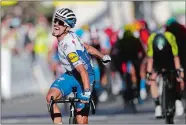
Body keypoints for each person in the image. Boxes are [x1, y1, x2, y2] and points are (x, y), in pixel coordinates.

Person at [46, 8, 111, 124]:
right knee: (50, 98)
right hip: (71, 75)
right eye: (55, 20)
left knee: (81, 121)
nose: (56, 24)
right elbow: (88, 47)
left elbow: (82, 72)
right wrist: (103, 57)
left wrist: (86, 93)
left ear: (67, 27)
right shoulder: (72, 36)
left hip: (85, 77)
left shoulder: (68, 47)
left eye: (60, 22)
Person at [146, 31, 184, 118]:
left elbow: (176, 57)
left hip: (170, 57)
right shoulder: (151, 40)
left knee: (179, 76)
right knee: (152, 78)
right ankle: (158, 106)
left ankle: (178, 100)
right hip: (157, 59)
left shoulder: (170, 38)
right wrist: (148, 74)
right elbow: (150, 59)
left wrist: (179, 72)